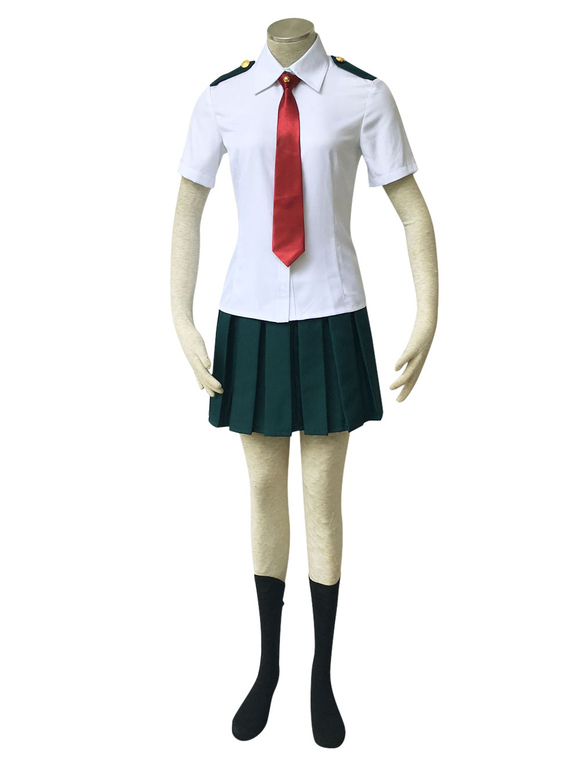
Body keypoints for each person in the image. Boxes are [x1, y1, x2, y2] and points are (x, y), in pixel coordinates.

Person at [170, 17, 438, 749]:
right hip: (249, 313)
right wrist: (180, 316)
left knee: (322, 497)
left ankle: (322, 673)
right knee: (262, 490)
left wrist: (427, 313)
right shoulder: (224, 97)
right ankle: (267, 666)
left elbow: (412, 211)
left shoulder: (362, 94)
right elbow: (189, 205)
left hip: (330, 311)